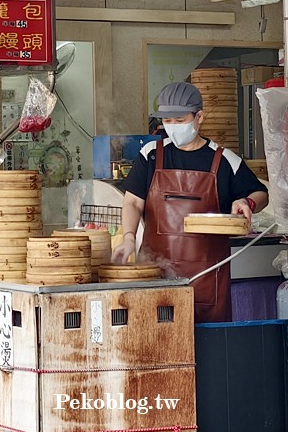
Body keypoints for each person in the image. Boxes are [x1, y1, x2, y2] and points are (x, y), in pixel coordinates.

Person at [110, 81, 268, 322]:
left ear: (199, 117)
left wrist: (247, 202)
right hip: (155, 274)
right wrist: (128, 237)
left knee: (209, 347)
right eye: (167, 121)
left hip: (207, 279)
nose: (172, 127)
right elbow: (132, 202)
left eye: (180, 120)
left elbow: (261, 193)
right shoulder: (151, 155)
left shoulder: (225, 159)